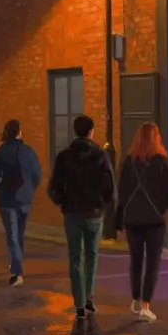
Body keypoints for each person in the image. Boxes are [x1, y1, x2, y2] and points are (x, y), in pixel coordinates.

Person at [48, 115, 116, 319]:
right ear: (91, 131)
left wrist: (63, 202)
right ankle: (89, 298)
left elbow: (54, 188)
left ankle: (78, 303)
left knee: (75, 258)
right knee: (92, 256)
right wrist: (102, 204)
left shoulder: (64, 157)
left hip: (72, 213)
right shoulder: (101, 155)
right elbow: (109, 187)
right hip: (94, 213)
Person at [115, 122, 168, 323]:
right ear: (157, 138)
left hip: (133, 218)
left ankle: (135, 299)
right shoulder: (162, 162)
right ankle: (145, 306)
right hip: (155, 220)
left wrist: (120, 219)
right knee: (152, 263)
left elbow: (122, 192)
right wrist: (163, 206)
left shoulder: (128, 162)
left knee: (135, 260)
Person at [0, 119, 42, 286]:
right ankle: (17, 263)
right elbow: (37, 176)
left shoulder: (1, 151)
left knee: (12, 235)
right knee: (19, 234)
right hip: (25, 199)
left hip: (7, 198)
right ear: (19, 132)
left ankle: (17, 270)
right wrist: (29, 189)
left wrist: (0, 186)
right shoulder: (29, 152)